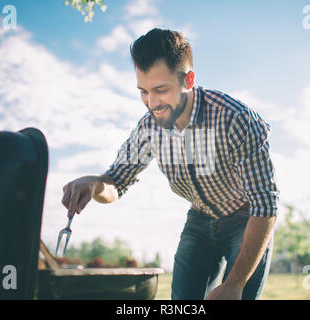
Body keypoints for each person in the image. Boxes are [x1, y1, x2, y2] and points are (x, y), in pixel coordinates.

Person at [61, 28, 280, 300]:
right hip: (200, 220)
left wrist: (234, 285)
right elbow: (116, 182)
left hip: (246, 220)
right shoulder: (149, 128)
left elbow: (266, 204)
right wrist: (95, 184)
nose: (151, 103)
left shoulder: (235, 119)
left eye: (160, 90)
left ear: (188, 80)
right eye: (143, 91)